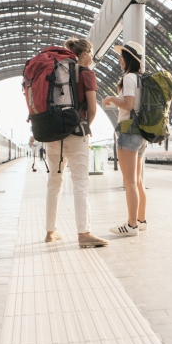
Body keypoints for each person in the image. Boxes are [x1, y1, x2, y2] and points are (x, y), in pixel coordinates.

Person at [45, 38, 109, 248]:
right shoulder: (86, 73)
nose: (92, 57)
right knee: (80, 183)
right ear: (83, 54)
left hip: (53, 134)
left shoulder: (55, 72)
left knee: (54, 182)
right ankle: (84, 233)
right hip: (76, 133)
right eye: (90, 53)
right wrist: (84, 127)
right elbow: (92, 108)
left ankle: (50, 231)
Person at [102, 41, 148, 237]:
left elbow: (128, 104)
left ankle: (131, 225)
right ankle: (141, 220)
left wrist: (112, 98)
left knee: (129, 182)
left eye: (122, 55)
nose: (119, 59)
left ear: (130, 58)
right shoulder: (140, 79)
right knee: (137, 181)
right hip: (140, 133)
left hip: (128, 131)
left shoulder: (129, 78)